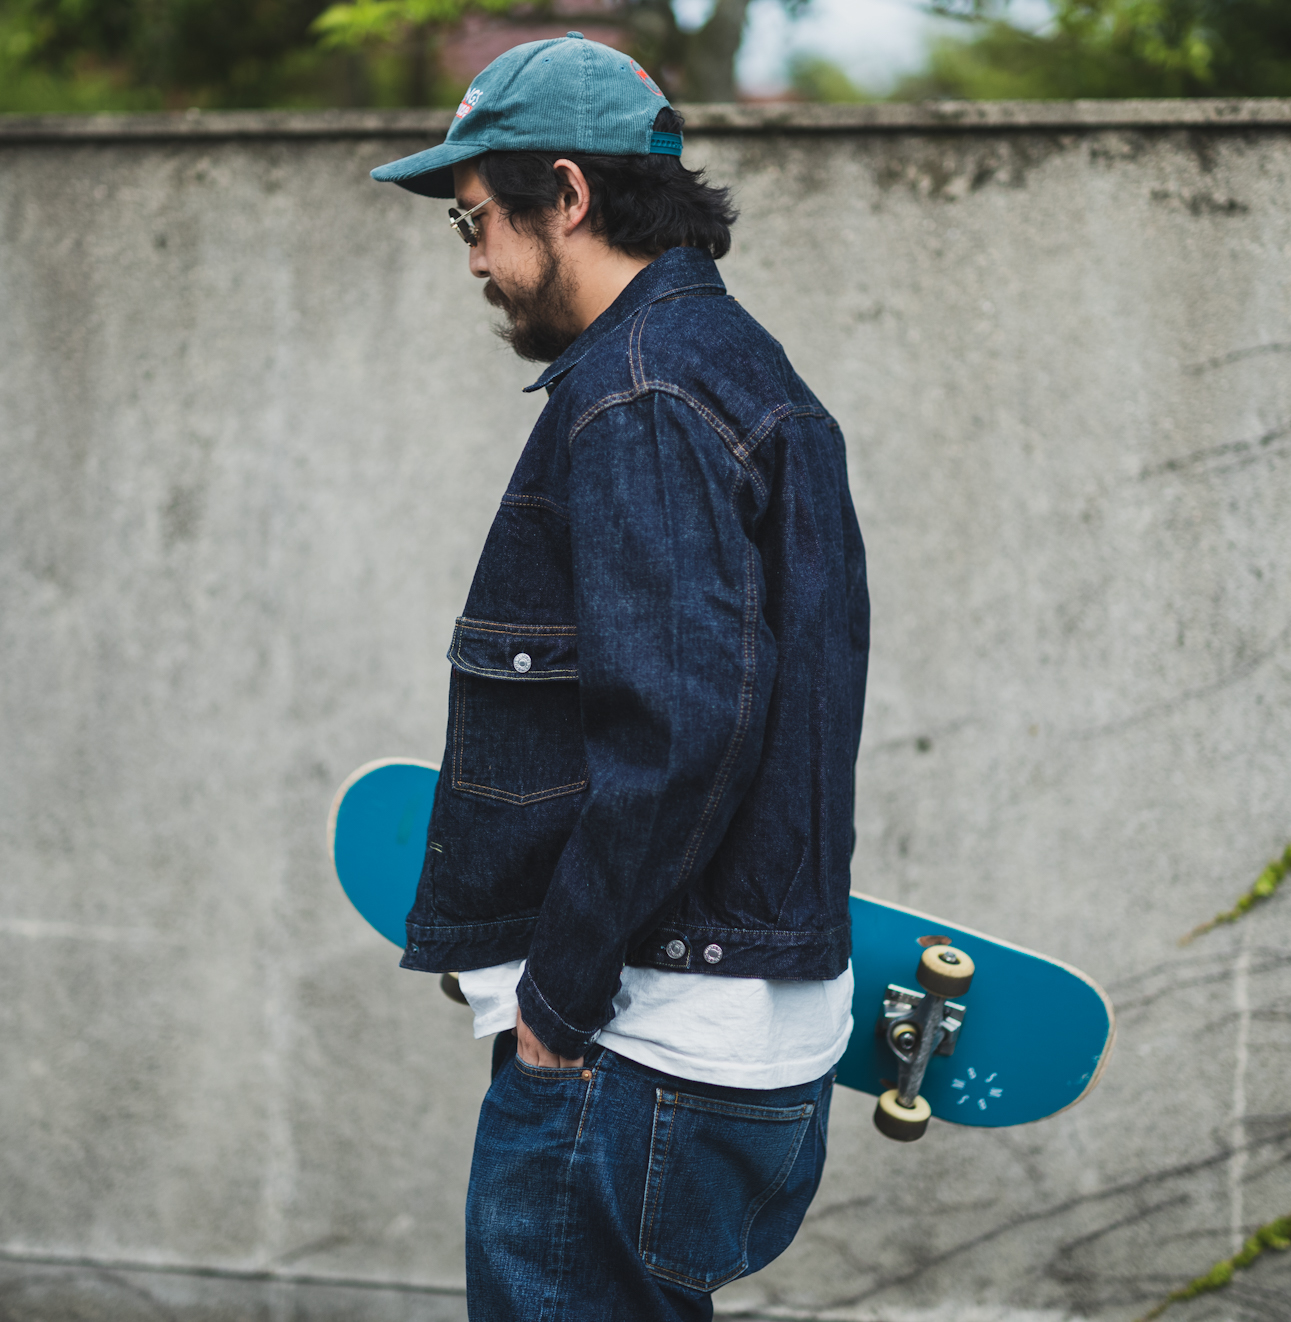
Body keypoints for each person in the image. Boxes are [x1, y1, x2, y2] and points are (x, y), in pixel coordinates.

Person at [369, 32, 869, 1322]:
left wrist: (554, 1005)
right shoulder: (740, 368)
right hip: (722, 1042)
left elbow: (681, 731)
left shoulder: (640, 392)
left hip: (636, 1049)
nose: (473, 259)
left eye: (476, 219)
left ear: (568, 195)